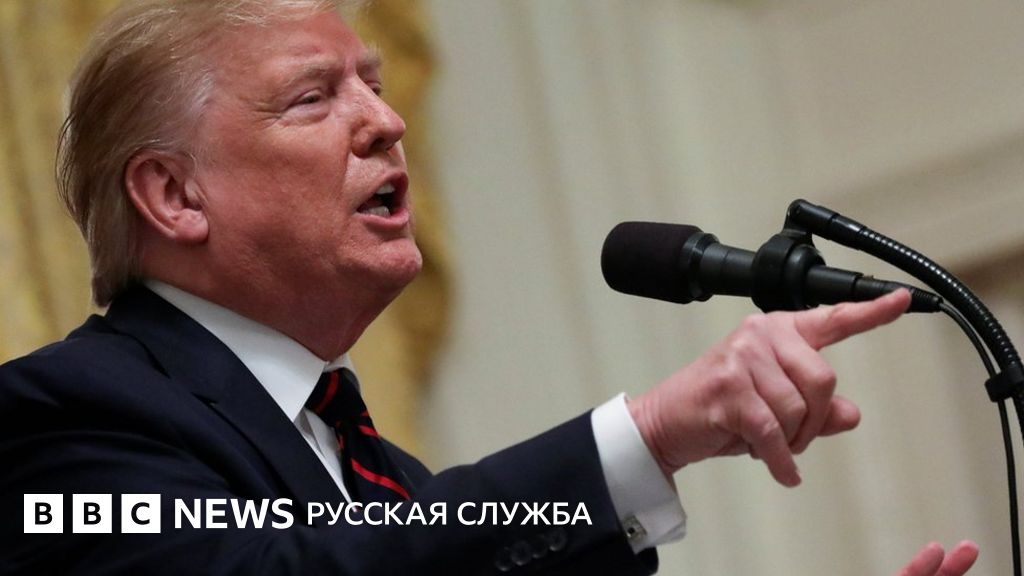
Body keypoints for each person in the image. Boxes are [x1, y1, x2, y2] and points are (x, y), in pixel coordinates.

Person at [0, 1, 978, 574]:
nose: (386, 122)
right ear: (174, 196)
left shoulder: (386, 477)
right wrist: (645, 434)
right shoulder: (61, 416)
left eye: (375, 84)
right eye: (314, 96)